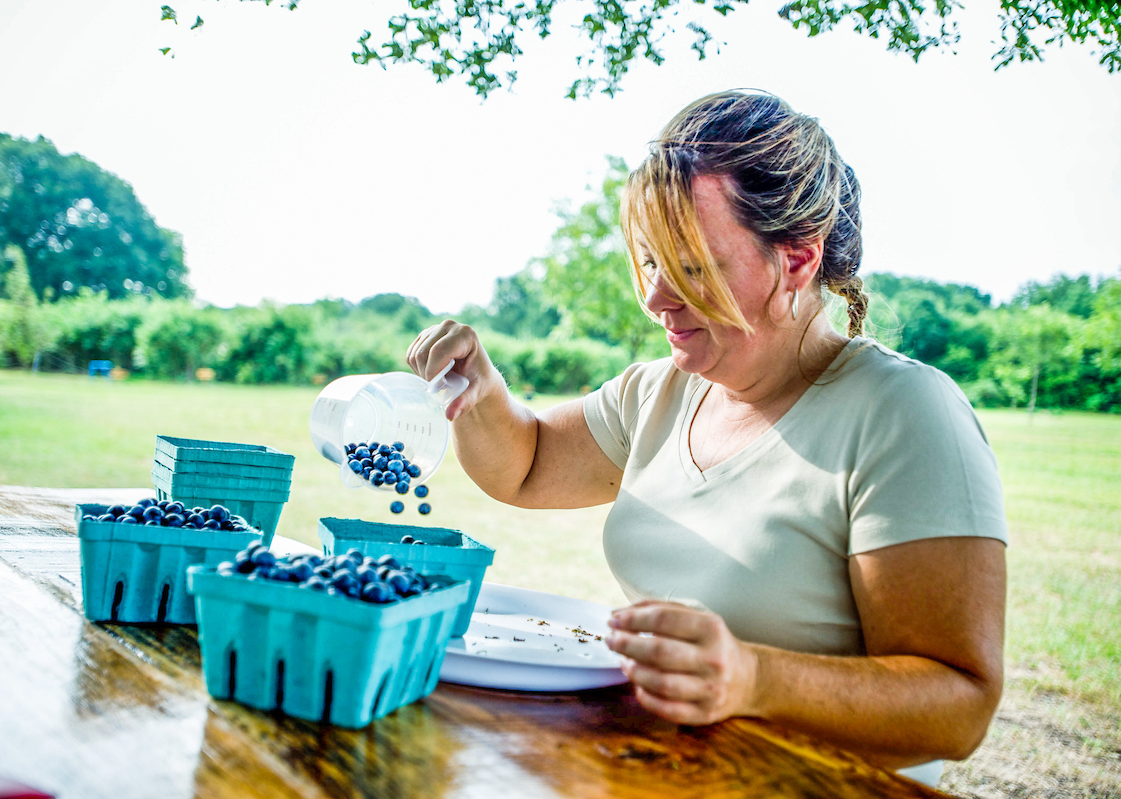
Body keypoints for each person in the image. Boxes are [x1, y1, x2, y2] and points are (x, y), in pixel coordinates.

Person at [406, 90, 1008, 788]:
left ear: (799, 261)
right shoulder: (661, 390)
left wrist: (753, 678)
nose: (658, 296)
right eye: (651, 261)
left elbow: (959, 706)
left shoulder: (904, 411)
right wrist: (482, 389)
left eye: (692, 267)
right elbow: (528, 464)